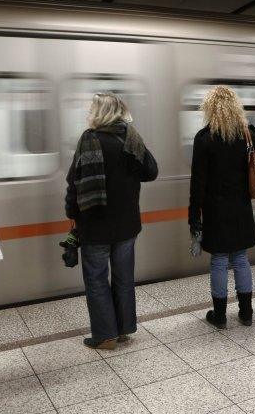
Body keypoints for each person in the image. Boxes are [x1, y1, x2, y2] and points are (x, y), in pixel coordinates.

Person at [65, 93, 158, 349]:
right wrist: (136, 138)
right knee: (123, 278)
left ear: (98, 113)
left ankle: (105, 335)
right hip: (126, 224)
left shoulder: (90, 139)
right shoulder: (130, 138)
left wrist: (72, 213)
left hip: (94, 224)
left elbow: (75, 181)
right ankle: (123, 329)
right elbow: (151, 172)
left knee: (96, 280)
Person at [189, 85, 255, 329]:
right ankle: (246, 313)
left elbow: (198, 183)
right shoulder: (248, 134)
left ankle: (220, 316)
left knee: (218, 260)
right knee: (240, 258)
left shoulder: (204, 138)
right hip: (241, 206)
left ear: (209, 108)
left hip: (215, 209)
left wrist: (194, 217)